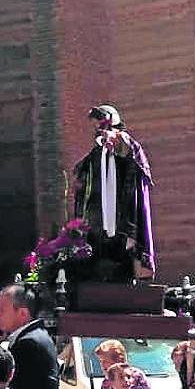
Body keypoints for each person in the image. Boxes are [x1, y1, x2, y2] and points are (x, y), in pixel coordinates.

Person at [73, 103, 155, 281]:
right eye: (95, 126)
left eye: (100, 125)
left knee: (122, 267)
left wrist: (116, 140)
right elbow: (84, 178)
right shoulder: (96, 154)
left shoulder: (127, 146)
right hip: (97, 223)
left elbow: (129, 151)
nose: (97, 130)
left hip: (121, 221)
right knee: (98, 262)